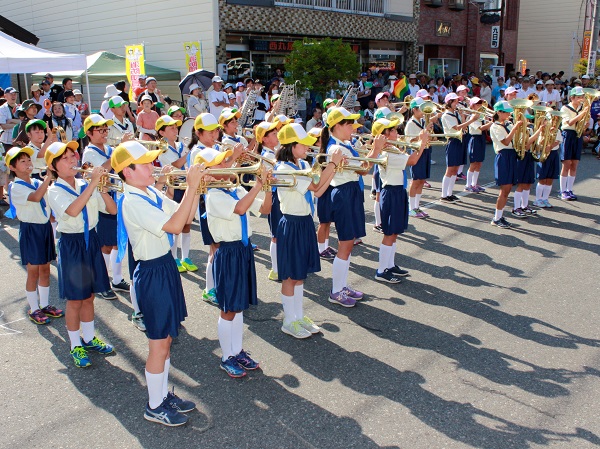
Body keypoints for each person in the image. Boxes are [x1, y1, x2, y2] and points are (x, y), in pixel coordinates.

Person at [111, 140, 202, 426]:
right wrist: (191, 185)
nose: (153, 167)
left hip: (165, 267)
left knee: (167, 339)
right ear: (127, 172)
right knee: (158, 344)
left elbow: (184, 217)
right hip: (152, 272)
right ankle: (154, 405)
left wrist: (196, 188)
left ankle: (163, 396)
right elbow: (175, 226)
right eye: (146, 163)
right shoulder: (133, 201)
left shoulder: (148, 191)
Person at [200, 148, 272, 378]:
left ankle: (237, 350)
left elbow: (263, 208)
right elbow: (240, 208)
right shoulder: (213, 196)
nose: (229, 165)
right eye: (223, 163)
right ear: (208, 174)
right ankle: (226, 356)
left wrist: (268, 186)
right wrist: (259, 184)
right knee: (228, 308)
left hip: (243, 249)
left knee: (238, 304)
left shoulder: (235, 188)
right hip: (228, 252)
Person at [46, 140, 117, 367]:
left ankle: (88, 338)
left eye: (72, 156)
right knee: (76, 299)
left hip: (91, 240)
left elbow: (112, 210)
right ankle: (75, 345)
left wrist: (102, 188)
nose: (72, 161)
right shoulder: (54, 190)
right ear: (54, 166)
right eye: (65, 159)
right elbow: (73, 210)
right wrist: (92, 184)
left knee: (89, 296)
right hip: (72, 243)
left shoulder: (83, 183)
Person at [274, 123, 343, 338]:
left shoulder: (302, 163)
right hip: (292, 223)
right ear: (292, 146)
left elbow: (320, 191)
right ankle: (289, 320)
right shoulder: (285, 169)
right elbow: (314, 186)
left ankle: (299, 316)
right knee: (290, 276)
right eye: (303, 145)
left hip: (304, 222)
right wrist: (332, 164)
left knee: (300, 275)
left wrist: (333, 169)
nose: (307, 148)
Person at [322, 107, 381, 307]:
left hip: (349, 192)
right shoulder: (336, 149)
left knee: (347, 245)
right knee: (345, 244)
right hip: (344, 194)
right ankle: (336, 290)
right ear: (337, 126)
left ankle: (342, 285)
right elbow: (364, 169)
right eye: (348, 125)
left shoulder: (344, 144)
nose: (352, 128)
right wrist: (377, 149)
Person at [5, 146, 61, 325]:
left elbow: (47, 200)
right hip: (30, 230)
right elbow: (36, 197)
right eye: (23, 161)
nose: (28, 163)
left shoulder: (37, 182)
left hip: (44, 228)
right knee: (33, 271)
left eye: (29, 160)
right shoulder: (15, 187)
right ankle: (33, 308)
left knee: (45, 268)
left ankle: (44, 305)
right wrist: (48, 179)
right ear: (13, 168)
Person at [372, 118, 428, 283]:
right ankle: (381, 270)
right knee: (389, 233)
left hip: (397, 191)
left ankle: (390, 265)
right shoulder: (387, 153)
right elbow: (412, 161)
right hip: (391, 192)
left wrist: (419, 142)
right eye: (393, 130)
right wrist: (422, 143)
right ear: (385, 134)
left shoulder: (393, 149)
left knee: (394, 232)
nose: (397, 132)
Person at [82, 114, 130, 299]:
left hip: (115, 198)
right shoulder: (89, 152)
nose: (104, 133)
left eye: (105, 129)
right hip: (101, 202)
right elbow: (101, 171)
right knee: (105, 245)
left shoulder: (109, 148)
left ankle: (117, 279)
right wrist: (118, 151)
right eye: (100, 130)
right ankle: (102, 281)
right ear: (89, 133)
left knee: (117, 241)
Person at [156, 115, 196, 272]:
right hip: (173, 186)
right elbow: (175, 165)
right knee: (175, 223)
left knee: (187, 223)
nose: (175, 130)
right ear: (162, 132)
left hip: (186, 185)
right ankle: (174, 257)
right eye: (171, 128)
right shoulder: (162, 148)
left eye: (176, 127)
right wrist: (190, 152)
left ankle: (185, 256)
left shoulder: (181, 145)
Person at [489, 101, 522, 228]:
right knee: (504, 189)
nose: (509, 114)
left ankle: (500, 216)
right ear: (499, 112)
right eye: (506, 112)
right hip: (503, 156)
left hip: (512, 155)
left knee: (508, 190)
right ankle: (496, 218)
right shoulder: (495, 127)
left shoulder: (507, 123)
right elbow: (505, 141)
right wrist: (514, 128)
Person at [440, 93, 478, 202]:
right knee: (450, 169)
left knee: (455, 169)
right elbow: (457, 128)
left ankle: (450, 193)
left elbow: (463, 127)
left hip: (460, 140)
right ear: (449, 103)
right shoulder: (447, 115)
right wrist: (472, 120)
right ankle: (444, 194)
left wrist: (462, 116)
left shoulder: (455, 114)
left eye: (457, 101)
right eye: (455, 101)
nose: (457, 103)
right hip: (453, 141)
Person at [404, 98, 433, 218]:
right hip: (416, 152)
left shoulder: (422, 121)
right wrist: (423, 134)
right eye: (420, 109)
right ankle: (411, 208)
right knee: (415, 180)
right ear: (414, 110)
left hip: (425, 151)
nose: (423, 111)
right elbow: (409, 140)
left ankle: (417, 206)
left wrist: (429, 132)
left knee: (421, 180)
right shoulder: (410, 123)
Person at [558, 86, 588, 200]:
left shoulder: (582, 108)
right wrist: (582, 114)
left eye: (582, 97)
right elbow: (569, 122)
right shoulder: (565, 108)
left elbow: (583, 125)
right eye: (579, 97)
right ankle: (562, 191)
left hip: (578, 135)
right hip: (568, 134)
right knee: (566, 163)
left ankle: (569, 189)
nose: (581, 99)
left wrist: (585, 124)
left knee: (574, 164)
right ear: (572, 98)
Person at [465, 97, 493, 192]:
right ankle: (468, 185)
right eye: (477, 104)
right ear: (472, 106)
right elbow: (480, 128)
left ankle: (474, 183)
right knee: (473, 163)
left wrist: (489, 120)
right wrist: (492, 121)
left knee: (479, 163)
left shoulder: (481, 116)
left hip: (481, 139)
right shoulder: (471, 117)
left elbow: (487, 129)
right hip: (475, 139)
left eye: (480, 104)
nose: (479, 106)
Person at [533, 120, 562, 208]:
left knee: (550, 178)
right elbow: (538, 143)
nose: (551, 122)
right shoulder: (541, 130)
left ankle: (545, 199)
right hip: (543, 153)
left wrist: (551, 146)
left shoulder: (557, 130)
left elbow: (558, 141)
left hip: (553, 153)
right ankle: (538, 199)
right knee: (542, 177)